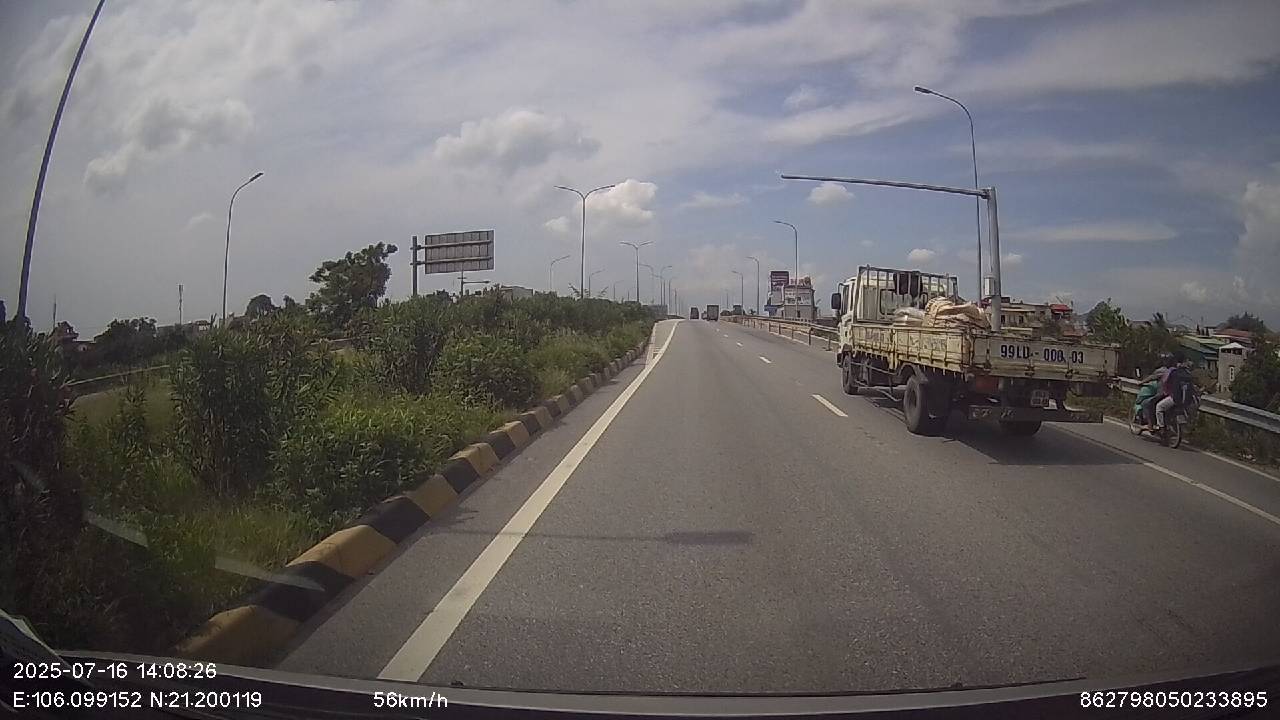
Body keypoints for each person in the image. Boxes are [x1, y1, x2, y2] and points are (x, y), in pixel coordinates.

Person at [1155, 356, 1196, 429]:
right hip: (1187, 401)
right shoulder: (1188, 374)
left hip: (1175, 398)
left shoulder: (1173, 372)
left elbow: (1165, 382)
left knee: (1159, 407)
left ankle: (1161, 426)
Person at [1139, 352, 1176, 428]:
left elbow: (1151, 377)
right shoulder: (1175, 370)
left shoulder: (1162, 370)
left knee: (1146, 403)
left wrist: (1141, 382)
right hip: (1172, 395)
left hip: (1163, 394)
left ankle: (1150, 424)